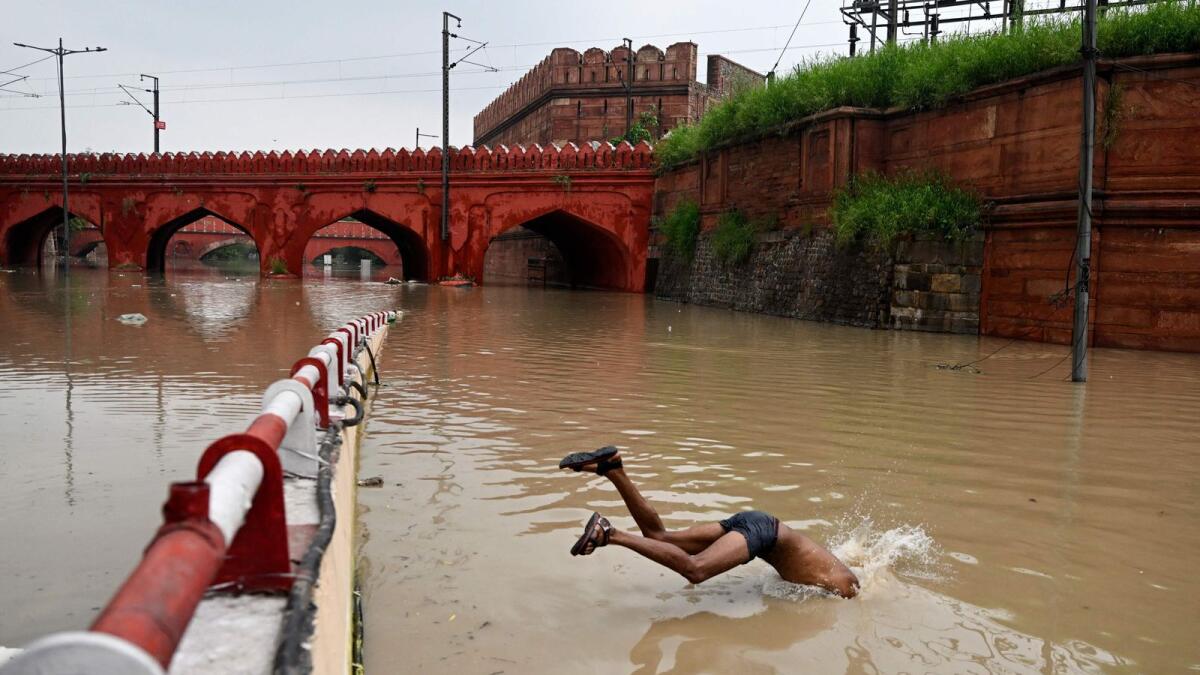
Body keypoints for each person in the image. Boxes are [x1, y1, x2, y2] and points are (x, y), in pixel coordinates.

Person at [560, 446, 859, 598]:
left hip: (758, 523)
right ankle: (610, 534)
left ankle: (612, 468)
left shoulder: (834, 569)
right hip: (763, 532)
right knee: (696, 570)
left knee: (658, 535)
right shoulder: (848, 588)